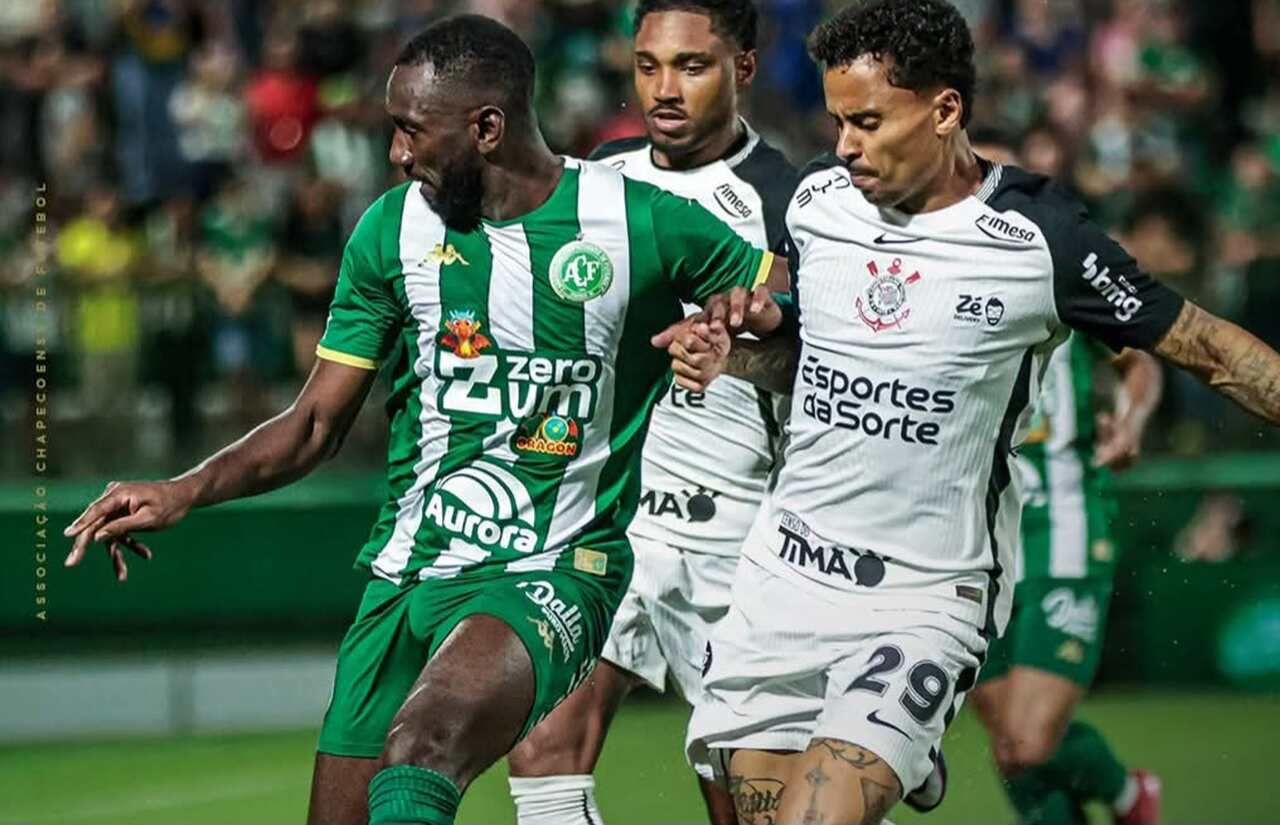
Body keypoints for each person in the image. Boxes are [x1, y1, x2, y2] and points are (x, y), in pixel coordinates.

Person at [62, 15, 784, 825]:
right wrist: (184, 489)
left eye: (411, 131)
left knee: (423, 745)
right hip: (406, 570)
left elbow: (786, 312)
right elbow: (312, 425)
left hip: (553, 565)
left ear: (486, 128)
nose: (397, 153)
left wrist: (751, 325)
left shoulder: (638, 220)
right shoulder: (392, 228)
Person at [658, 1, 1280, 822]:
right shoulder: (815, 200)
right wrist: (730, 351)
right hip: (783, 578)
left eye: (869, 121)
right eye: (839, 120)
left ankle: (900, 740)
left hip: (924, 592)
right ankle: (904, 754)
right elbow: (806, 364)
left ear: (945, 109)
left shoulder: (1038, 236)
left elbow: (1205, 348)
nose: (845, 144)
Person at [503, 3, 796, 824]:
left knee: (745, 802)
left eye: (691, 66)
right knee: (542, 755)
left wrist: (731, 354)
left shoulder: (789, 199)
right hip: (606, 523)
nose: (663, 89)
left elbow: (826, 369)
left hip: (736, 537)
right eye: (647, 65)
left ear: (742, 67)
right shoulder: (599, 176)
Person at [969, 333, 1165, 825]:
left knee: (1030, 741)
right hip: (973, 543)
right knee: (1012, 749)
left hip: (1063, 530)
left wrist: (1129, 423)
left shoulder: (1062, 265)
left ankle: (1126, 795)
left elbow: (1139, 360)